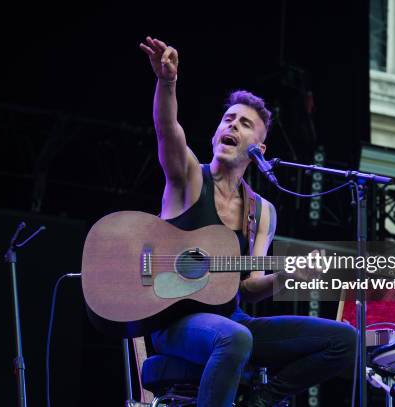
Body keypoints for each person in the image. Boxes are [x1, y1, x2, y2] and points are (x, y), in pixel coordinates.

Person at [139, 36, 356, 407]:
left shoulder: (263, 211)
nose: (232, 126)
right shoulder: (190, 179)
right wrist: (167, 82)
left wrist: (289, 276)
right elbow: (167, 129)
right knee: (234, 338)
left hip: (232, 318)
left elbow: (251, 285)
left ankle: (260, 400)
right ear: (214, 133)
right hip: (174, 321)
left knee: (345, 340)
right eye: (228, 119)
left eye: (244, 123)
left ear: (260, 149)